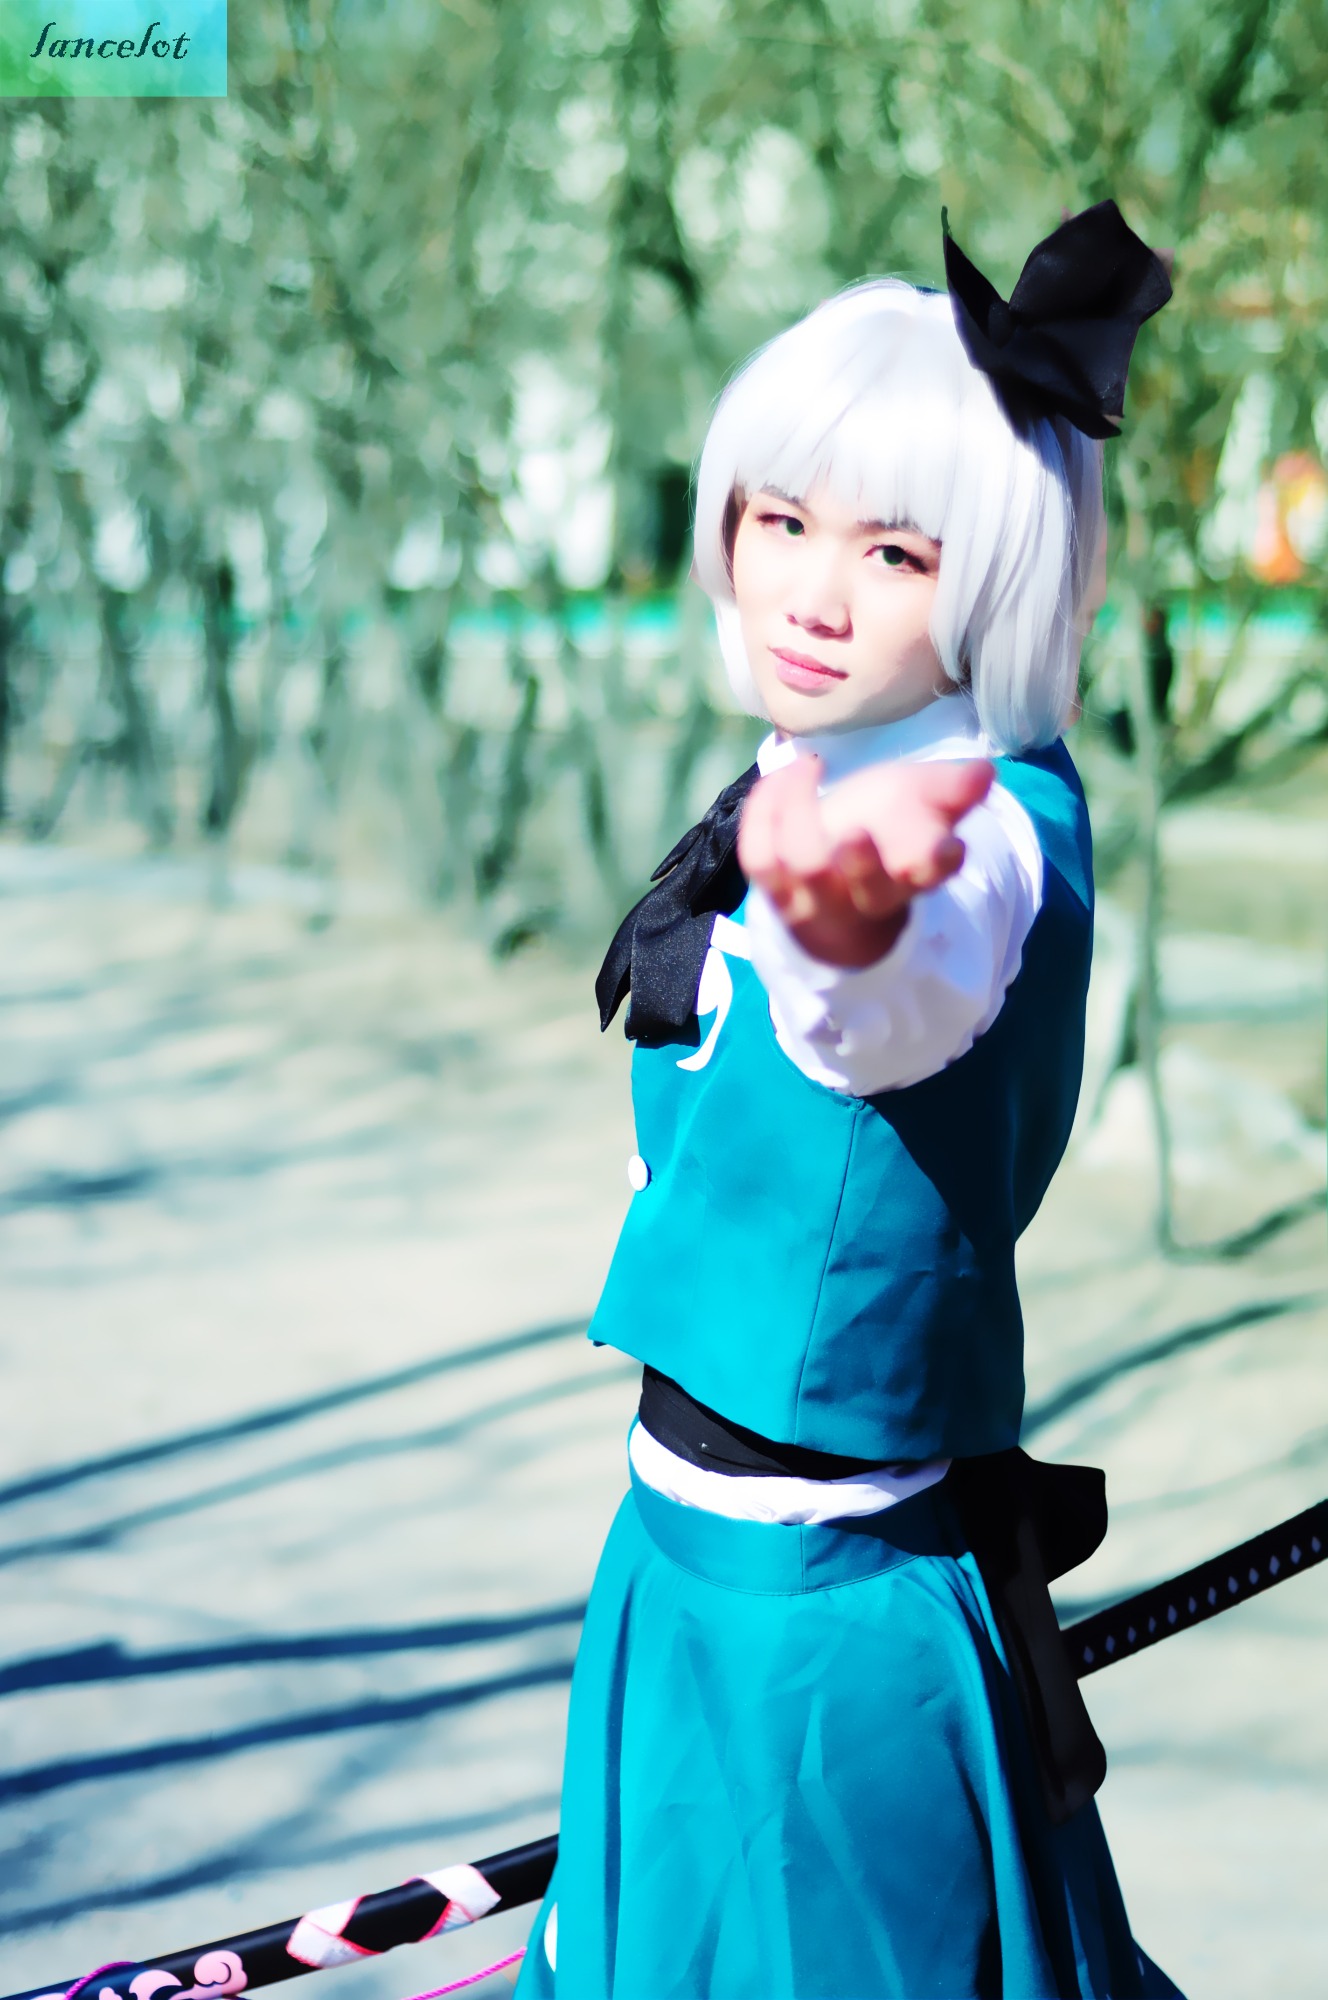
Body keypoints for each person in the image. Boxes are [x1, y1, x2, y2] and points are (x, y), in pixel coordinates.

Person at [515, 202, 1180, 2000]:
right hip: (680, 1557)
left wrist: (845, 937)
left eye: (894, 550)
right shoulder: (823, 758)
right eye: (781, 519)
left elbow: (896, 1002)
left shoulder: (975, 834)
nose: (812, 590)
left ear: (999, 575)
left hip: (820, 1624)